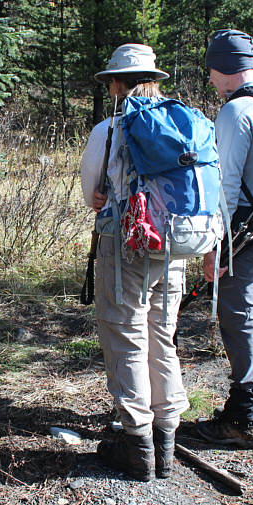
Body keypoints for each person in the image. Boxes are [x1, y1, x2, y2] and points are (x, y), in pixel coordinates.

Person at [80, 43, 189, 481]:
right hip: (175, 247)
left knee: (126, 337)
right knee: (161, 337)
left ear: (117, 84)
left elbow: (92, 196)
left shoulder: (109, 129)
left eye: (111, 81)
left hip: (125, 246)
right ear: (154, 80)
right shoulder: (181, 124)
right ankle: (166, 442)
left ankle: (137, 446)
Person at [197, 29, 253, 449]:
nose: (209, 78)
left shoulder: (236, 112)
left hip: (242, 229)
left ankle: (243, 417)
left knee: (239, 315)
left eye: (210, 69)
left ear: (221, 67)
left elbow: (225, 186)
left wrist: (216, 245)